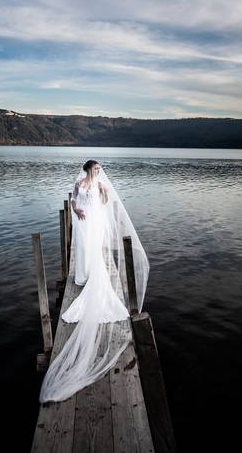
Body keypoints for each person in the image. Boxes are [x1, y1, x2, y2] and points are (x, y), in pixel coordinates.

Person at [38, 160, 150, 404]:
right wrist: (76, 210)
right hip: (82, 220)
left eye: (100, 169)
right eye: (96, 168)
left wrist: (105, 194)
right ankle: (85, 274)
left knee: (95, 251)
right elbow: (75, 200)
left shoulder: (100, 185)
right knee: (85, 251)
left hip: (96, 221)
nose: (99, 172)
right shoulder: (79, 182)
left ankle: (93, 277)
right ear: (89, 169)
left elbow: (105, 204)